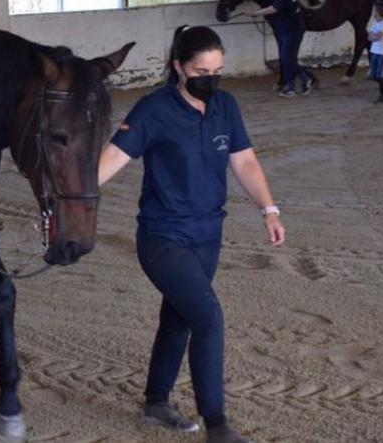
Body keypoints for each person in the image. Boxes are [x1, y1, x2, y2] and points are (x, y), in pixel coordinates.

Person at [97, 26, 286, 443]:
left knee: (179, 318)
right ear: (178, 67)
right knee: (208, 317)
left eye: (218, 70)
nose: (211, 79)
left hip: (208, 235)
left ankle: (156, 402)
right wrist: (68, 194)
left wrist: (268, 209)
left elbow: (245, 162)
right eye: (201, 70)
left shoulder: (226, 107)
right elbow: (113, 157)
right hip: (163, 237)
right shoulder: (152, 110)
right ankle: (217, 425)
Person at [249, 0, 314, 97]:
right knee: (288, 59)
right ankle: (298, 84)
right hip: (289, 30)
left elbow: (272, 9)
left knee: (287, 59)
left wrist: (256, 13)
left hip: (289, 31)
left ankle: (297, 84)